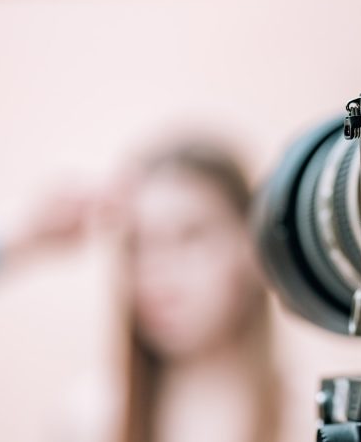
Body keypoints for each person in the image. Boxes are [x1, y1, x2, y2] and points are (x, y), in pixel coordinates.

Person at [119, 141, 280, 442]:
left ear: (251, 248)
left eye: (191, 235)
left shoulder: (314, 419)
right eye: (138, 243)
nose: (156, 269)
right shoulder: (89, 419)